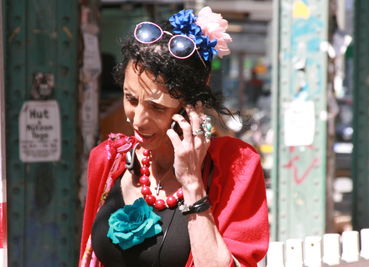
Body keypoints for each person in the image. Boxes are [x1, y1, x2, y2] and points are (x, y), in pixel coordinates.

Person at [79, 7, 269, 267]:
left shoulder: (236, 165)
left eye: (157, 107)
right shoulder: (107, 158)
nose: (138, 120)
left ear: (191, 108)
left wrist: (192, 184)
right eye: (131, 99)